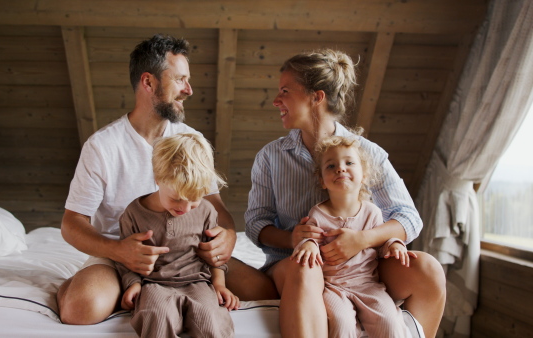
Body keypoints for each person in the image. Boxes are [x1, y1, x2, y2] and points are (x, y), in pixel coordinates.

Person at [243, 49, 446, 337]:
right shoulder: (270, 157)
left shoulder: (367, 153)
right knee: (307, 266)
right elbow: (255, 224)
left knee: (428, 269)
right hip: (294, 264)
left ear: (317, 97)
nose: (276, 100)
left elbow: (409, 218)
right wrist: (291, 238)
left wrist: (361, 240)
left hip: (362, 268)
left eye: (285, 91)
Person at [57, 34, 238, 325]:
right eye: (179, 80)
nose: (188, 90)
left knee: (266, 289)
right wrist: (118, 251)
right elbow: (71, 224)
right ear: (148, 82)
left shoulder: (192, 141)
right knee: (80, 309)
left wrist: (228, 236)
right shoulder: (103, 146)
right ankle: (76, 286)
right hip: (119, 257)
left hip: (188, 256)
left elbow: (216, 206)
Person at [116, 133, 238, 338]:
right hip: (154, 283)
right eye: (176, 199)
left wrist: (219, 285)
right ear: (158, 179)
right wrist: (133, 284)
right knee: (156, 316)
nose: (186, 208)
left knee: (209, 318)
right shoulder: (134, 214)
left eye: (194, 200)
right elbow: (126, 259)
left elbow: (215, 257)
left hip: (198, 282)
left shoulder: (207, 210)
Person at [291, 135, 413, 337]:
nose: (340, 168)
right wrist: (310, 244)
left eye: (349, 163)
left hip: (368, 285)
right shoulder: (317, 214)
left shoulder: (372, 212)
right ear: (322, 181)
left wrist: (394, 244)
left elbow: (380, 244)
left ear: (364, 175)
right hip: (333, 287)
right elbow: (309, 238)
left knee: (390, 321)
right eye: (331, 166)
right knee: (341, 322)